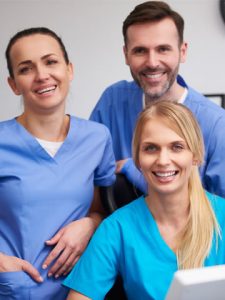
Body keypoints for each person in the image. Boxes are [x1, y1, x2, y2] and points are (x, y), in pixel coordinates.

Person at [64, 101, 225, 300]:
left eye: (176, 147)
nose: (163, 160)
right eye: (151, 148)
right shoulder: (117, 228)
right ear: (138, 159)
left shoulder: (222, 216)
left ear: (195, 155)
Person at [0, 27, 115, 299]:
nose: (42, 75)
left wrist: (90, 225)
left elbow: (99, 210)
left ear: (69, 70)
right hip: (14, 289)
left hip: (80, 289)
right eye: (26, 69)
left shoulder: (96, 138)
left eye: (50, 62)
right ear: (14, 84)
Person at [90, 1, 225, 198]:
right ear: (126, 54)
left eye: (163, 49)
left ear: (182, 51)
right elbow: (85, 175)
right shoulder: (112, 102)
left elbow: (221, 214)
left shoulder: (216, 124)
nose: (152, 63)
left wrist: (133, 170)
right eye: (140, 50)